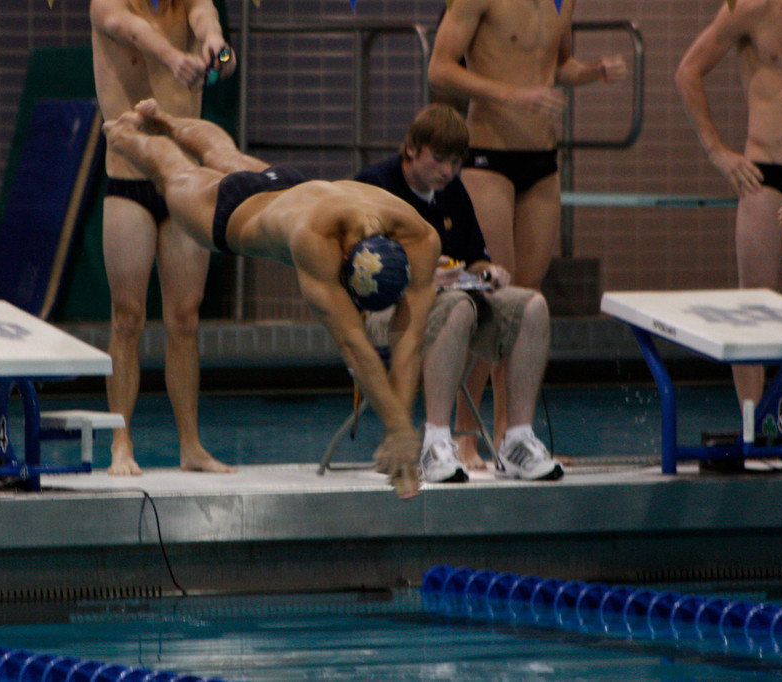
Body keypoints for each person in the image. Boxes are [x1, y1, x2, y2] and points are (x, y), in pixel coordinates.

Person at [102, 99, 442, 499]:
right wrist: (397, 427)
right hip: (229, 215)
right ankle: (122, 132)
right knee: (175, 172)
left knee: (223, 155)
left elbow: (410, 340)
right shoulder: (312, 238)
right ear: (349, 256)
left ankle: (166, 120)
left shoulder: (422, 238)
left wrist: (398, 426)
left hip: (286, 182)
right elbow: (353, 343)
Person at [357, 104, 562, 482]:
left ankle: (516, 440)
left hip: (453, 304)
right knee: (457, 306)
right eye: (439, 160)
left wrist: (490, 273)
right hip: (387, 315)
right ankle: (434, 443)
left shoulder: (452, 191)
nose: (448, 171)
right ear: (412, 148)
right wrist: (418, 277)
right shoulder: (375, 187)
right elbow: (357, 268)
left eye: (455, 161)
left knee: (532, 305)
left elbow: (473, 260)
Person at [90, 0, 238, 476]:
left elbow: (206, 19)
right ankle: (120, 443)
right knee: (127, 318)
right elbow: (131, 30)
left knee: (185, 318)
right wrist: (173, 58)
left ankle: (191, 446)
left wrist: (217, 46)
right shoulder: (106, 3)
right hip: (128, 181)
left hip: (184, 188)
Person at [428, 0, 627, 290]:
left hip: (542, 158)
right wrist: (511, 95)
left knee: (529, 287)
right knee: (497, 282)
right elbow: (439, 70)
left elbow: (559, 66)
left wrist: (595, 71)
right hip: (489, 155)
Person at [676, 0, 782, 416]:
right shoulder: (753, 7)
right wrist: (718, 153)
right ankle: (754, 425)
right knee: (753, 307)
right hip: (764, 174)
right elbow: (688, 72)